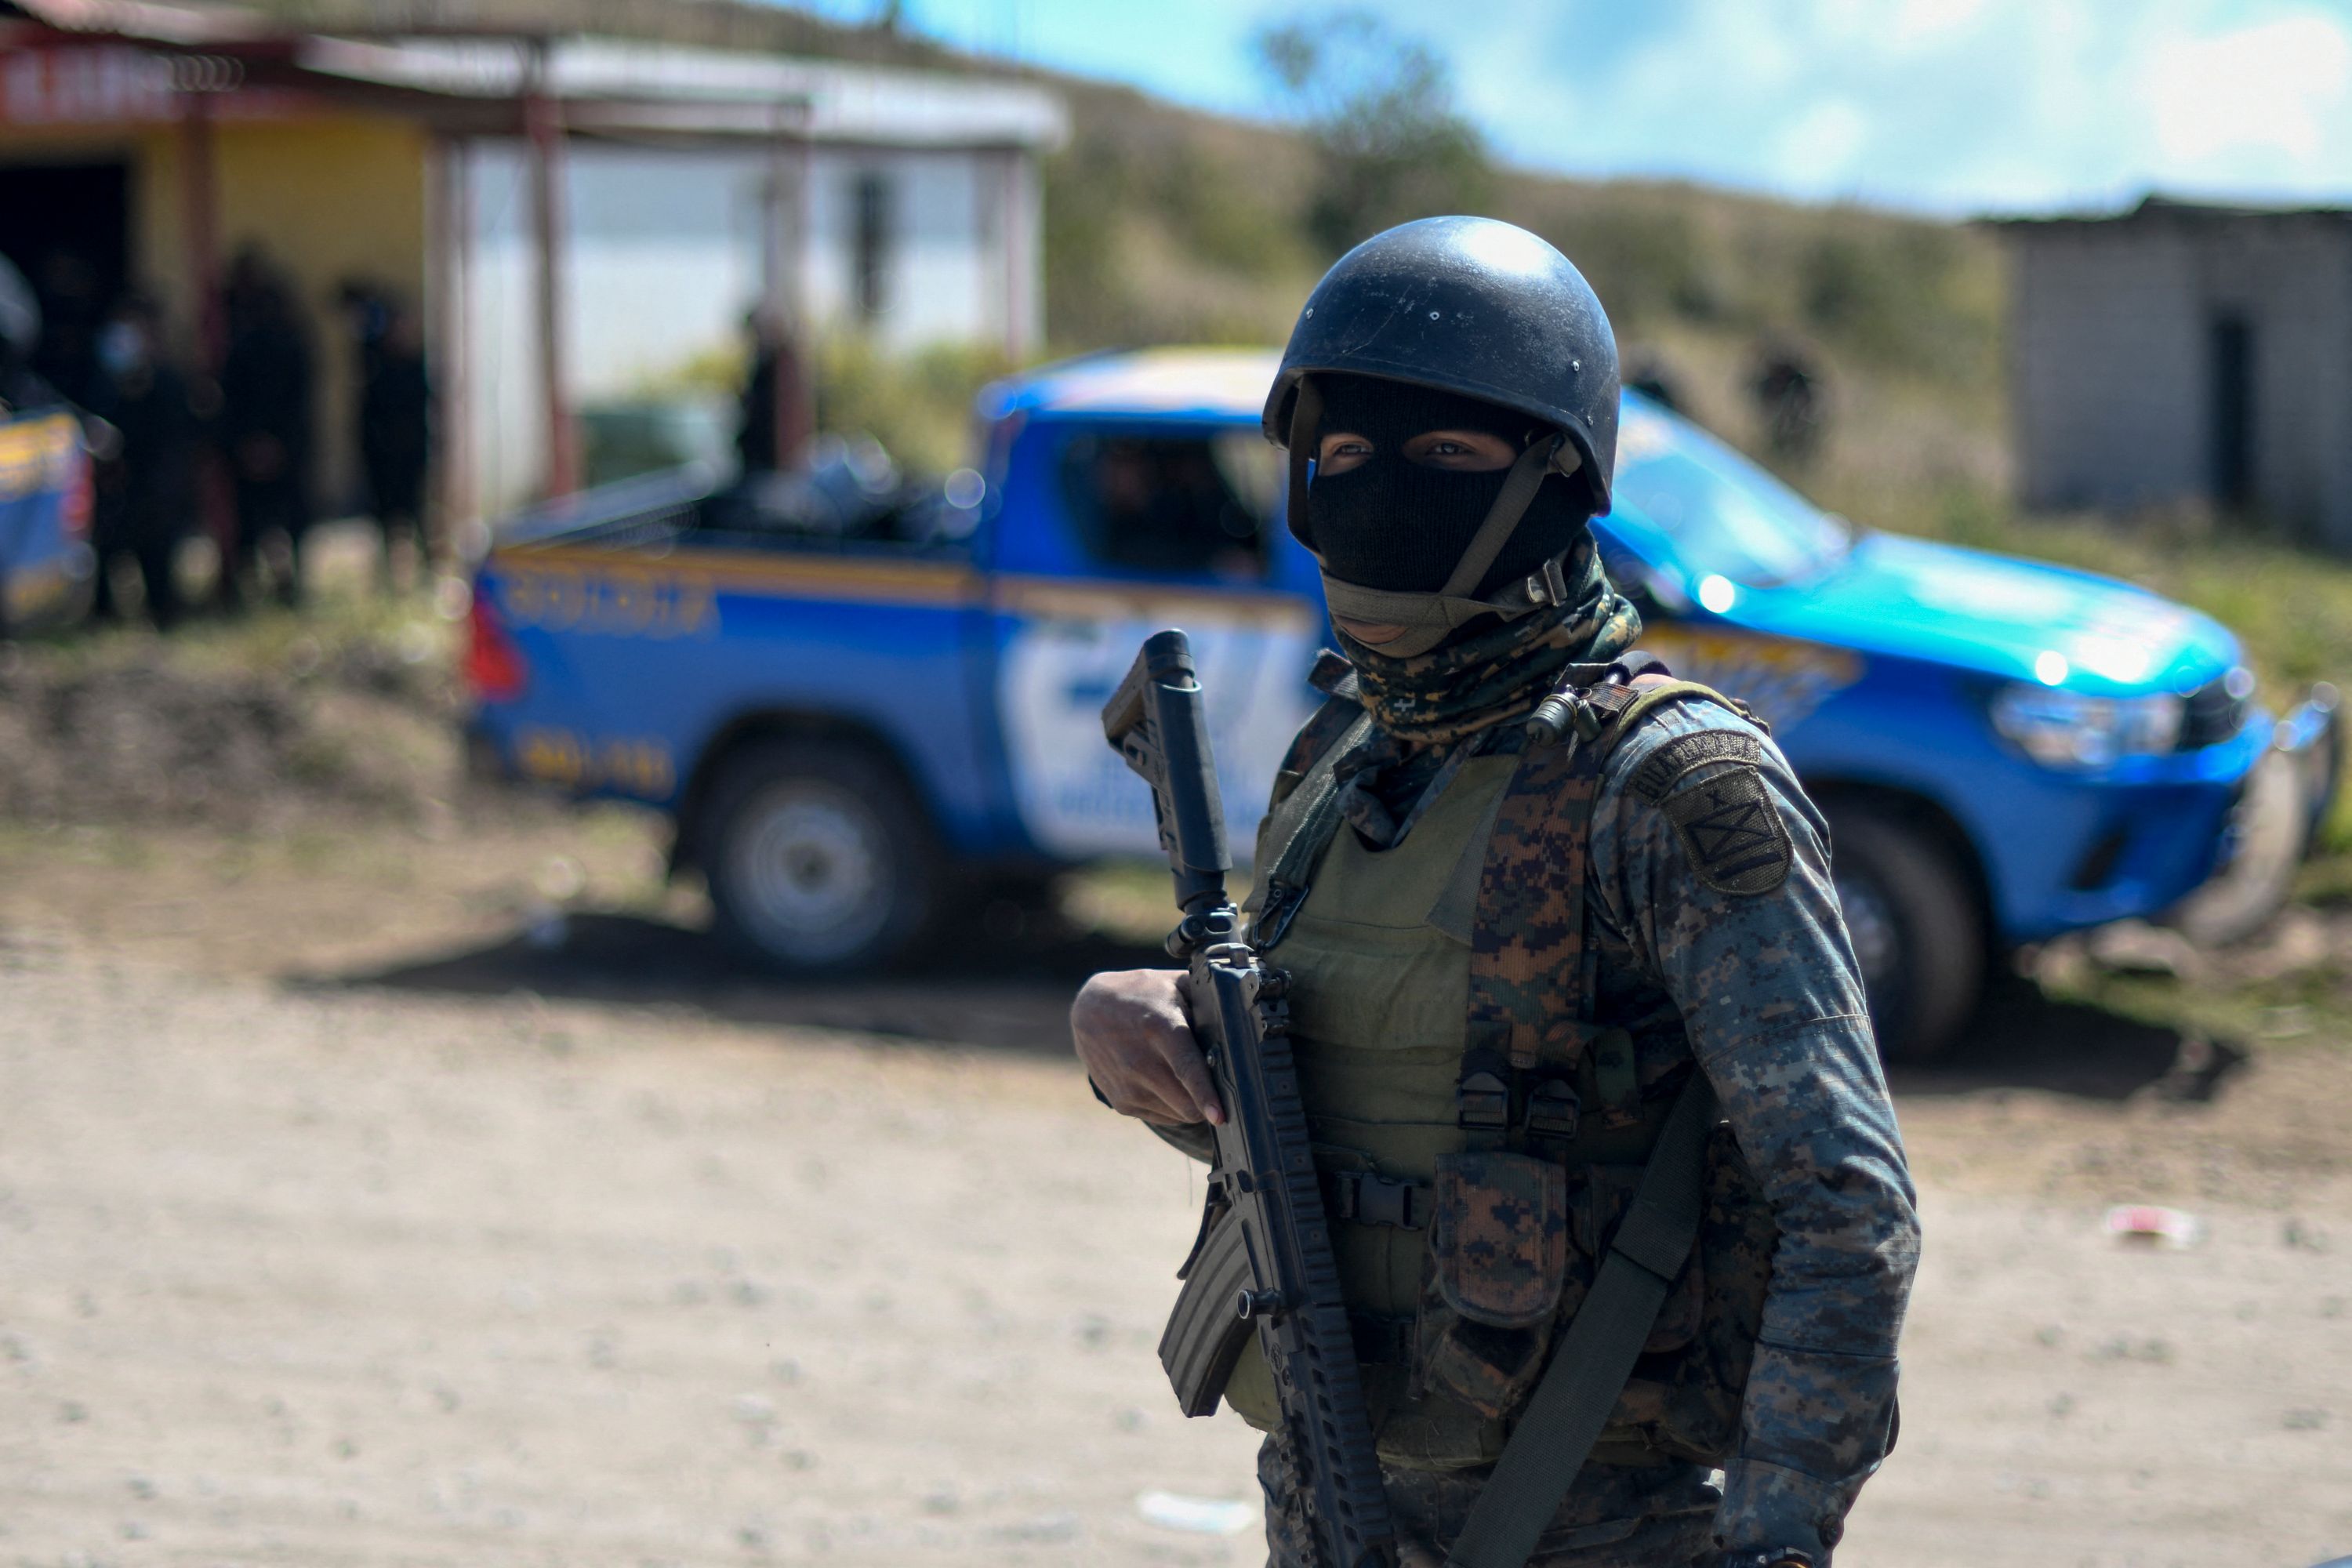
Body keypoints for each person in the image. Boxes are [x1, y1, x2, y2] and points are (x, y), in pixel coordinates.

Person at [1070, 217, 1918, 1568]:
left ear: (1555, 482)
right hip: (1330, 1499)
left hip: (1596, 1524)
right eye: (1341, 457)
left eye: (1449, 458)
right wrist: (1141, 1034)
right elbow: (1342, 1097)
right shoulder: (1341, 759)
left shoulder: (1672, 786)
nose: (1380, 492)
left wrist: (1774, 1543)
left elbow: (1844, 1207)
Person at [90, 296, 198, 629]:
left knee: (157, 553)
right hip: (116, 487)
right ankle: (105, 615)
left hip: (157, 486)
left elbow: (177, 437)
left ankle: (164, 612)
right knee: (108, 549)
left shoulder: (168, 382)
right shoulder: (105, 382)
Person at [216, 250, 314, 608]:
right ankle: (245, 585)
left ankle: (288, 583)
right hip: (248, 446)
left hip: (286, 445)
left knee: (288, 520)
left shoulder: (290, 342)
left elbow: (299, 398)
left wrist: (276, 443)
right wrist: (247, 443)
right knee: (250, 523)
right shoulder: (233, 340)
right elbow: (231, 396)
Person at [358, 304, 432, 590]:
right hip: (382, 458)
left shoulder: (417, 367)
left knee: (416, 514)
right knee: (384, 518)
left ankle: (426, 570)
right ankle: (387, 574)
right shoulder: (375, 368)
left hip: (411, 455)